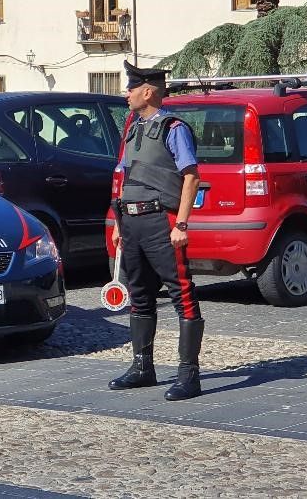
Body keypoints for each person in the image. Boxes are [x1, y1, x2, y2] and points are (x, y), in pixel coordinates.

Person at [108, 60, 204, 400]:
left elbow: (190, 176)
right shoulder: (131, 127)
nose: (126, 94)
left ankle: (189, 375)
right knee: (139, 294)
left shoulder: (173, 128)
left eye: (131, 88)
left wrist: (181, 222)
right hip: (131, 221)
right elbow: (121, 176)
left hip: (160, 219)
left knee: (181, 292)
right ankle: (142, 367)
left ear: (148, 91)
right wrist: (117, 221)